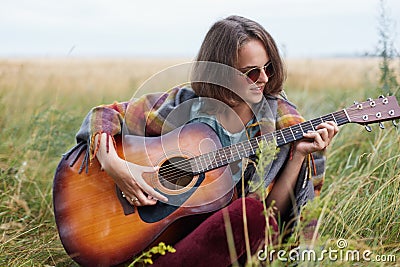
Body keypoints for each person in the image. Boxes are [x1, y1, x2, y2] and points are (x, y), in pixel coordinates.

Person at [73, 15, 338, 266]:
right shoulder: (184, 103)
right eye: (251, 72)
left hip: (226, 243)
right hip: (163, 237)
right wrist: (113, 165)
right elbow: (105, 115)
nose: (265, 79)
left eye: (267, 68)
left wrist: (300, 156)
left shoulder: (283, 122)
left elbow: (272, 216)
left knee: (252, 215)